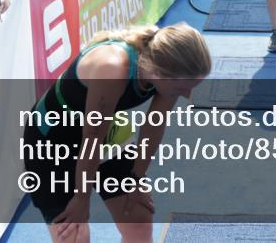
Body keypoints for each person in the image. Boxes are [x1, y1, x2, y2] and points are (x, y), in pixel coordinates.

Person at [23, 24, 210, 239]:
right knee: (74, 235)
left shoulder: (167, 68)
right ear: (160, 72)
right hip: (51, 140)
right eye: (182, 88)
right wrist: (82, 198)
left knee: (138, 222)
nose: (187, 95)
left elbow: (154, 125)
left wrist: (136, 178)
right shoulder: (112, 68)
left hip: (104, 129)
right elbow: (92, 140)